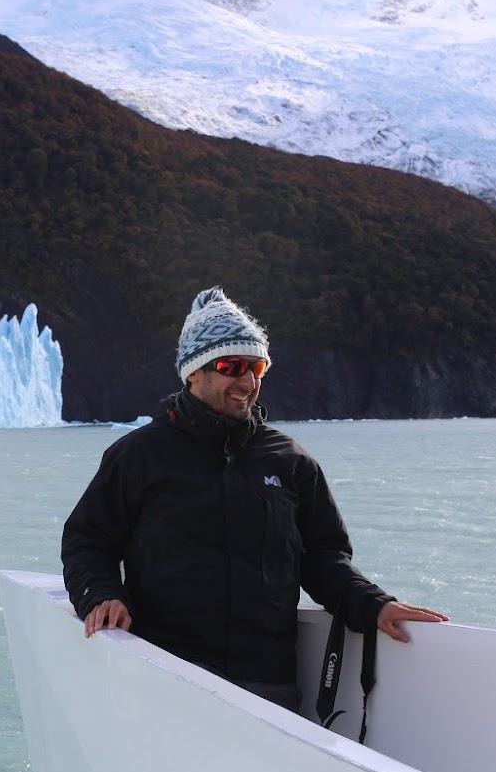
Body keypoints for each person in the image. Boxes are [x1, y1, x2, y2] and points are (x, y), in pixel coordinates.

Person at [61, 286, 447, 710]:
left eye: (257, 368)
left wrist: (373, 604)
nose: (247, 381)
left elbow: (323, 558)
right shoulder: (139, 456)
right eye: (232, 366)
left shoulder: (290, 461)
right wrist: (100, 595)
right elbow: (88, 540)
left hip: (269, 686)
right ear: (194, 373)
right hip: (165, 676)